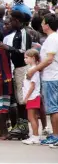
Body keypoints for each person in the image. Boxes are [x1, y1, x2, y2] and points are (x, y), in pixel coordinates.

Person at [26, 13, 58, 147]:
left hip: (51, 77)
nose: (41, 25)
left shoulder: (52, 39)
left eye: (43, 22)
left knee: (53, 108)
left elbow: (49, 59)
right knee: (53, 107)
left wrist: (34, 69)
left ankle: (56, 136)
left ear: (47, 26)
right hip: (51, 76)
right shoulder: (52, 38)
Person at [21, 49, 42, 145]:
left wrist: (26, 97)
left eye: (26, 57)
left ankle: (35, 136)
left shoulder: (34, 70)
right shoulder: (33, 69)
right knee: (34, 117)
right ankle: (35, 135)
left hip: (32, 97)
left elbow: (32, 86)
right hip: (33, 96)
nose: (25, 59)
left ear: (33, 58)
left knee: (31, 117)